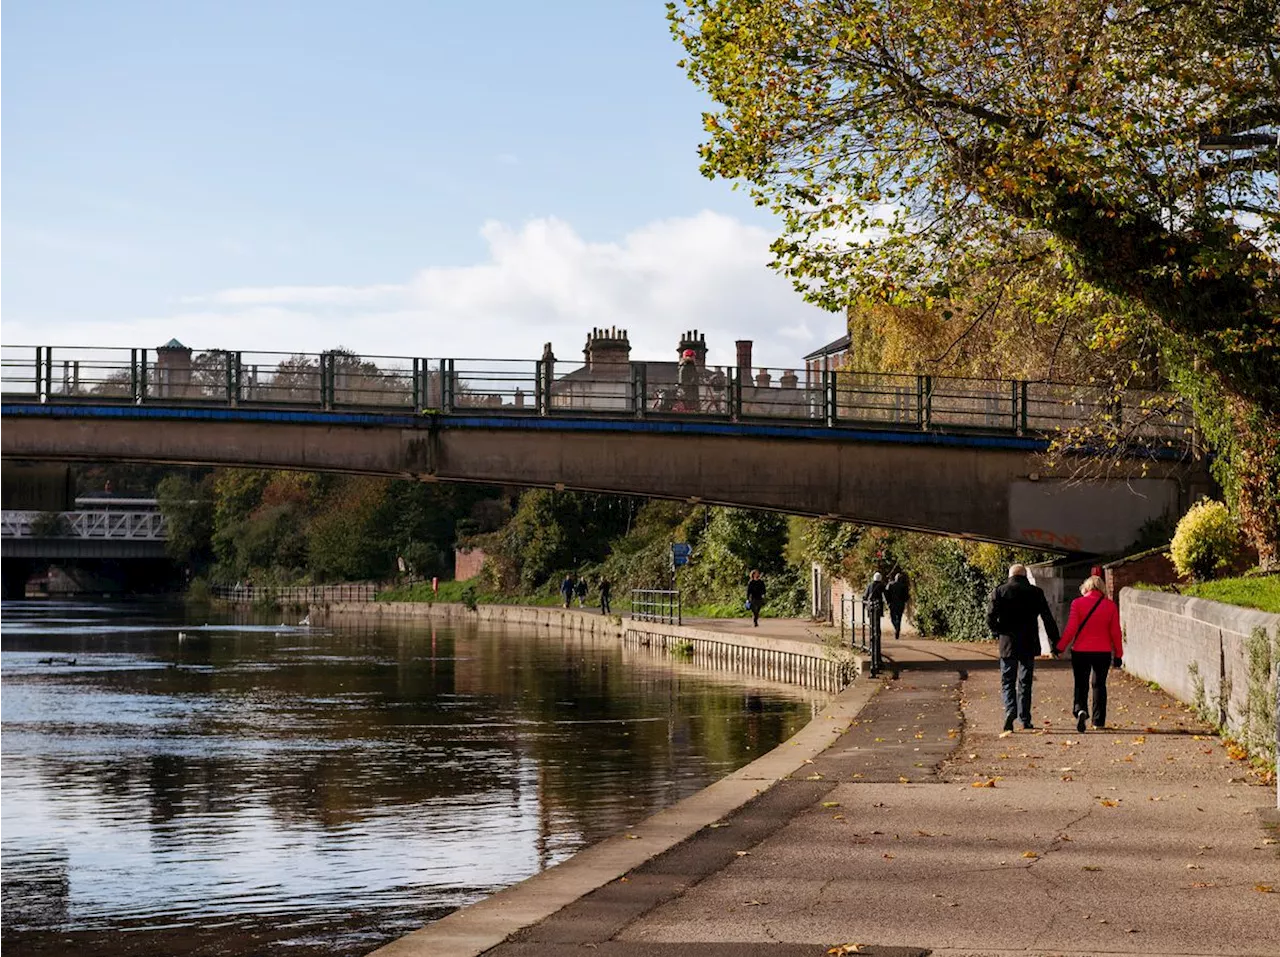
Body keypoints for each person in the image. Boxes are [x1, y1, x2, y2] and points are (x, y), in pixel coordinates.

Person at [987, 563, 1061, 733]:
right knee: (1025, 681)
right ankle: (1025, 719)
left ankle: (1010, 709)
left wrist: (999, 631)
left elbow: (990, 617)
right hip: (1028, 642)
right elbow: (1047, 618)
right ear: (1025, 575)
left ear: (1010, 575)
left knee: (1007, 680)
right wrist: (1055, 643)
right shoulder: (1036, 592)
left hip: (1008, 643)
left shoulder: (999, 591)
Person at [1056, 576, 1123, 732]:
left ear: (1085, 588)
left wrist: (1060, 647)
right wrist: (1118, 654)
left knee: (1081, 683)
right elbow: (1116, 633)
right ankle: (1098, 721)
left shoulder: (1077, 603)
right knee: (1099, 684)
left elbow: (1071, 629)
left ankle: (1080, 710)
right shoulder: (1110, 606)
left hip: (1080, 651)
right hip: (1103, 651)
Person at [885, 571, 910, 640]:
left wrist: (888, 602)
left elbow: (886, 594)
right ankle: (897, 628)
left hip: (892, 604)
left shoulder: (890, 584)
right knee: (899, 617)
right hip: (901, 604)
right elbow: (907, 595)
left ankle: (896, 627)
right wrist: (904, 601)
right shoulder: (904, 586)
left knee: (893, 618)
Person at [863, 572, 887, 645]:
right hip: (878, 605)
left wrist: (864, 605)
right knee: (877, 622)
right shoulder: (881, 586)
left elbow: (865, 596)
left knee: (871, 623)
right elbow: (886, 594)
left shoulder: (870, 585)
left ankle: (871, 637)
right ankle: (877, 636)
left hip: (870, 605)